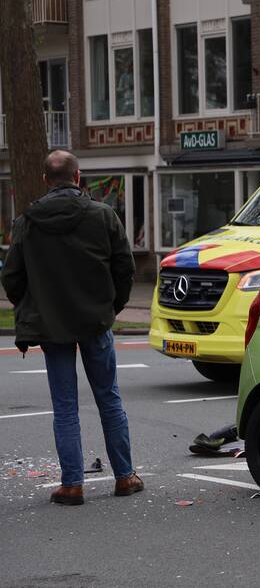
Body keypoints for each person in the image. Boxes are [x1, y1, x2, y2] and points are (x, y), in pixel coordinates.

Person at [1, 151, 142, 505]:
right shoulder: (103, 215)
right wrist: (112, 307)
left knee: (65, 406)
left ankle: (73, 484)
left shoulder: (27, 222)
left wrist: (32, 308)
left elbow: (12, 277)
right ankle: (125, 477)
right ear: (78, 177)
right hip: (95, 320)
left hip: (52, 325)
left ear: (46, 179)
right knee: (109, 398)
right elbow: (124, 267)